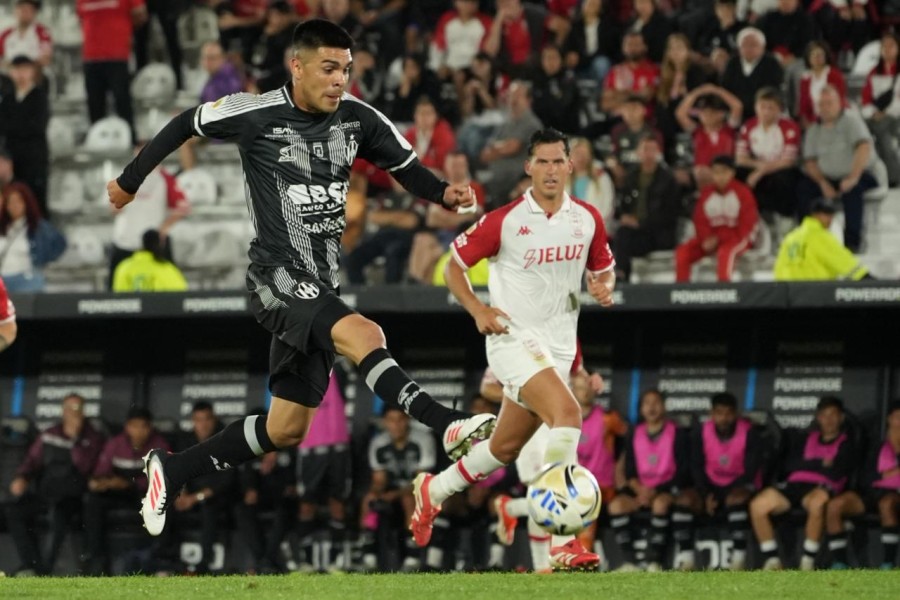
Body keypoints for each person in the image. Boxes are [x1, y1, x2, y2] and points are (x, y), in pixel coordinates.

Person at [106, 19, 494, 536]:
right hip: (276, 276)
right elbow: (185, 123)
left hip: (320, 285)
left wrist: (444, 193)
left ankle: (172, 469)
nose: (340, 80)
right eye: (329, 68)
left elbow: (404, 166)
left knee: (286, 428)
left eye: (347, 70)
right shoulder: (256, 112)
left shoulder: (358, 119)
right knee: (366, 334)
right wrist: (130, 182)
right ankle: (447, 425)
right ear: (298, 66)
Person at [407, 130, 616, 568]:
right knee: (569, 414)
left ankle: (433, 490)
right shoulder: (505, 220)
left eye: (558, 161)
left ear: (570, 165)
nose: (551, 170)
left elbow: (605, 270)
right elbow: (455, 268)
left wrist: (603, 286)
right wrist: (478, 309)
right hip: (511, 341)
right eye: (542, 162)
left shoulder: (588, 219)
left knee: (503, 450)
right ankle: (565, 541)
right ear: (528, 167)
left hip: (558, 348)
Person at [751, 397, 855, 571]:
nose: (828, 420)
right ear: (818, 418)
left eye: (833, 415)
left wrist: (810, 463)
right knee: (757, 505)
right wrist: (821, 462)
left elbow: (837, 470)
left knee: (818, 503)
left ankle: (807, 562)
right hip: (794, 484)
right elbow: (791, 465)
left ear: (841, 418)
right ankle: (773, 561)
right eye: (824, 415)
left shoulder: (847, 442)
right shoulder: (805, 439)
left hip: (822, 486)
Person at [4, 394, 104, 576]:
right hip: (46, 492)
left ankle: (45, 572)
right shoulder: (50, 434)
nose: (72, 413)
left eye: (77, 409)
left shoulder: (92, 437)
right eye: (69, 408)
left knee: (58, 514)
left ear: (83, 412)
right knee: (14, 510)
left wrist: (75, 439)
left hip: (74, 496)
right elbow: (32, 459)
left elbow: (86, 466)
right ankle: (31, 566)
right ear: (62, 411)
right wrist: (22, 477)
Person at [608, 390, 695, 572]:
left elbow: (683, 471)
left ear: (664, 406)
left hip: (667, 490)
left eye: (656, 402)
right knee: (615, 506)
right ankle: (631, 562)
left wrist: (657, 491)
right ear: (641, 409)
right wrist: (640, 490)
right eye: (647, 403)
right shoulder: (634, 434)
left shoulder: (677, 433)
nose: (652, 407)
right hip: (641, 491)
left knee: (660, 505)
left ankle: (653, 561)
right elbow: (629, 471)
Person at [83, 406, 169, 575]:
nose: (139, 431)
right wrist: (99, 482)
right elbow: (101, 472)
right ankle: (95, 560)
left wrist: (130, 483)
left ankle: (161, 561)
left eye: (143, 426)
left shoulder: (159, 445)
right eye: (134, 426)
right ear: (127, 427)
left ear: (150, 427)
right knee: (93, 500)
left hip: (144, 492)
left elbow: (161, 480)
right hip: (118, 492)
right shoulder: (115, 444)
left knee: (164, 502)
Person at [797, 85, 877, 253]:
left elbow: (863, 147)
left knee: (853, 191)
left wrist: (853, 177)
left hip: (857, 174)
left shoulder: (851, 121)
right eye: (821, 104)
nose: (825, 108)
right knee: (802, 187)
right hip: (827, 177)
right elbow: (810, 161)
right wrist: (822, 183)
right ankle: (807, 237)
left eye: (829, 103)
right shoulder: (813, 130)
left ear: (839, 103)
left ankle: (852, 243)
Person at [690, 392, 762, 571]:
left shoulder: (749, 432)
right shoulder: (701, 431)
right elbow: (696, 466)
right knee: (685, 500)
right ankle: (685, 559)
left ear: (736, 414)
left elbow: (752, 469)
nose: (724, 418)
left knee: (735, 499)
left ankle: (739, 558)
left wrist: (738, 489)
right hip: (710, 485)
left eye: (729, 413)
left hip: (738, 484)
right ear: (711, 413)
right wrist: (706, 494)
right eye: (719, 413)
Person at [825, 400, 900, 570]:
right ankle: (840, 563)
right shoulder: (876, 446)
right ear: (889, 419)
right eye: (897, 418)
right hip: (871, 493)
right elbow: (866, 476)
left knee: (886, 504)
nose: (899, 423)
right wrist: (884, 475)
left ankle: (888, 563)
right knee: (835, 506)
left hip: (894, 495)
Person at [360, 405, 436, 572]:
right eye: (391, 420)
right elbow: (379, 480)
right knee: (369, 499)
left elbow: (421, 480)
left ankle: (412, 558)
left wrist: (395, 494)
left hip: (421, 491)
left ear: (407, 420)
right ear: (385, 422)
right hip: (392, 490)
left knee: (408, 499)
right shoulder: (379, 442)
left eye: (400, 419)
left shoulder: (422, 440)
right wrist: (377, 493)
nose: (396, 425)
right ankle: (368, 558)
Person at [164, 402, 236, 574]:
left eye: (207, 419)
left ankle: (205, 562)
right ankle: (167, 560)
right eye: (198, 420)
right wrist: (182, 493)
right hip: (189, 495)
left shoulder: (225, 440)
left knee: (208, 507)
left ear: (214, 419)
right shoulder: (185, 441)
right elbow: (177, 469)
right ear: (193, 421)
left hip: (214, 496)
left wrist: (196, 497)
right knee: (166, 505)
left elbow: (227, 480)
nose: (203, 425)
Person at [294, 371, 352, 571]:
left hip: (338, 445)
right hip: (310, 446)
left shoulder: (340, 366)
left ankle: (336, 560)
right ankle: (307, 561)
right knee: (307, 504)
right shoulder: (296, 364)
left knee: (337, 502)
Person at [675, 155, 758, 282]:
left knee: (726, 253)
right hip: (711, 238)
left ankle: (724, 291)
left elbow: (747, 224)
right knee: (683, 252)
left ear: (732, 173)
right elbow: (700, 220)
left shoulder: (743, 193)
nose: (720, 176)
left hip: (737, 238)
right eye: (716, 172)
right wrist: (706, 238)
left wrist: (721, 238)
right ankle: (681, 292)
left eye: (724, 172)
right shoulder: (706, 194)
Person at [234, 409, 297, 574]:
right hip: (258, 499)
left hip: (281, 497)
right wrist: (250, 488)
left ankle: (265, 561)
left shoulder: (285, 445)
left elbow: (292, 483)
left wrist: (275, 466)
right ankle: (264, 560)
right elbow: (245, 480)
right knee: (241, 510)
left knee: (285, 509)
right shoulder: (247, 449)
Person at [407, 151, 484, 284]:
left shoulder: (475, 188)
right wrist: (457, 215)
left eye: (459, 165)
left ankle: (418, 289)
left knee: (432, 254)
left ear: (466, 166)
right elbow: (431, 219)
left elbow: (470, 220)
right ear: (446, 167)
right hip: (441, 234)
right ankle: (414, 281)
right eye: (453, 165)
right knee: (421, 239)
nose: (456, 169)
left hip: (462, 235)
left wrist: (444, 217)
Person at [76, 0, 147, 140]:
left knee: (122, 101)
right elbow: (81, 19)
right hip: (91, 57)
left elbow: (141, 15)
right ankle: (97, 142)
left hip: (117, 56)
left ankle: (129, 141)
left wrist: (121, 30)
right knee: (94, 105)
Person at [614, 135, 680, 282]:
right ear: (638, 153)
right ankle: (621, 275)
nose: (648, 154)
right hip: (635, 232)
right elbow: (621, 206)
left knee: (624, 239)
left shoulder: (668, 179)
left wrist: (641, 223)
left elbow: (670, 214)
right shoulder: (631, 176)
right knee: (621, 234)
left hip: (658, 233)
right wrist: (623, 216)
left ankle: (622, 276)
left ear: (658, 153)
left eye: (652, 150)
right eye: (645, 149)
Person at [735, 87, 801, 218]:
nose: (765, 112)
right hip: (757, 163)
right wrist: (759, 166)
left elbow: (788, 161)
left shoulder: (789, 127)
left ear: (779, 109)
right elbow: (741, 158)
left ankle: (783, 216)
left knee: (783, 179)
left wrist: (761, 172)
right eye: (762, 107)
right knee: (737, 173)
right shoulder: (748, 126)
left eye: (770, 108)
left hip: (780, 167)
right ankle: (747, 215)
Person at [479, 80, 543, 208]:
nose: (513, 100)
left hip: (515, 179)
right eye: (511, 95)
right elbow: (485, 154)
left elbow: (512, 147)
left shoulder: (531, 123)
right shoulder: (506, 122)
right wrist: (499, 148)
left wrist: (496, 149)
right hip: (495, 177)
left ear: (528, 100)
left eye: (518, 96)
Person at [774, 199, 871, 281]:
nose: (830, 219)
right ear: (815, 215)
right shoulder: (818, 236)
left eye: (831, 215)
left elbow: (779, 266)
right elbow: (841, 259)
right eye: (826, 215)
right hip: (815, 293)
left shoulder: (791, 236)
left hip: (789, 295)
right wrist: (865, 276)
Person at [0, 54, 49, 214]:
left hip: (34, 160)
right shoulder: (7, 99)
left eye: (25, 69)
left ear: (32, 71)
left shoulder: (40, 97)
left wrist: (12, 127)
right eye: (17, 69)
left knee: (35, 203)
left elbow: (35, 127)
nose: (21, 74)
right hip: (12, 159)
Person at [0, 182, 66, 292]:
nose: (14, 205)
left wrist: (44, 261)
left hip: (26, 281)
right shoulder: (4, 227)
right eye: (10, 202)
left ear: (27, 202)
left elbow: (60, 243)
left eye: (18, 201)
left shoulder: (38, 226)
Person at [674, 84, 742, 189]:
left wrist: (717, 91)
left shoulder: (728, 130)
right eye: (703, 112)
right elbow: (680, 113)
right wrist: (697, 92)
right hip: (700, 174)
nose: (707, 115)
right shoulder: (697, 131)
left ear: (721, 114)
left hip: (724, 173)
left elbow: (737, 106)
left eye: (711, 112)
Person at [655, 33, 713, 151]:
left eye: (680, 47)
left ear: (687, 51)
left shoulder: (696, 72)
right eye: (672, 48)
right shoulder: (665, 76)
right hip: (670, 123)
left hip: (692, 119)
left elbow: (700, 98)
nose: (676, 52)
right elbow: (662, 102)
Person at [859, 32, 900, 188]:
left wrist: (885, 114)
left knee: (881, 130)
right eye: (884, 46)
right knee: (875, 131)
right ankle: (889, 174)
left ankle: (891, 174)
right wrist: (874, 113)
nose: (887, 49)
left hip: (895, 115)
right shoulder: (873, 72)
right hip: (876, 116)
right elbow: (866, 98)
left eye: (891, 46)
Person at [720, 27, 783, 122]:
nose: (748, 48)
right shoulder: (732, 63)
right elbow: (725, 86)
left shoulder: (772, 63)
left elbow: (773, 90)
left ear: (762, 47)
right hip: (735, 111)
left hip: (762, 112)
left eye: (753, 45)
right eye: (744, 45)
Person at [608, 94, 665, 187]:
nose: (630, 112)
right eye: (627, 109)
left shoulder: (654, 133)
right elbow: (611, 155)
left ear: (643, 110)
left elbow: (658, 159)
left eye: (634, 108)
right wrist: (614, 166)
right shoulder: (617, 131)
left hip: (644, 176)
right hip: (622, 176)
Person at [428, 0, 492, 78]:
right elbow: (438, 47)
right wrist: (437, 67)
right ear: (456, 2)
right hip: (450, 67)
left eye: (473, 2)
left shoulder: (486, 22)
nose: (469, 5)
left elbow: (486, 51)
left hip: (473, 68)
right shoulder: (447, 19)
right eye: (465, 2)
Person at [601, 31, 660, 115]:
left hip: (645, 120)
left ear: (645, 47)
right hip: (618, 119)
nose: (632, 48)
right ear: (623, 48)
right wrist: (635, 94)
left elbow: (647, 97)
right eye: (629, 44)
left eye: (636, 44)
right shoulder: (615, 71)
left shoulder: (654, 70)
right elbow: (605, 104)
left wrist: (618, 94)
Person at [112, 229, 188, 292]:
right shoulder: (167, 268)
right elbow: (180, 294)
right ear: (161, 244)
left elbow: (119, 296)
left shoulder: (124, 266)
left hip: (132, 309)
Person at [562, 0, 620, 82]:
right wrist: (570, 55)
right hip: (580, 63)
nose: (591, 7)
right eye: (589, 4)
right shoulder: (575, 27)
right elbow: (568, 46)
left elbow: (610, 48)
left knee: (601, 63)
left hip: (599, 61)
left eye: (595, 4)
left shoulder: (608, 26)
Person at [530, 44, 581, 135]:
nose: (551, 62)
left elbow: (562, 107)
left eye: (554, 58)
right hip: (542, 130)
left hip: (566, 131)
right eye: (547, 58)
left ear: (561, 61)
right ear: (542, 61)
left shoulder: (568, 79)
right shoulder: (537, 79)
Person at [797, 40, 847, 130]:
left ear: (825, 56)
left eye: (820, 55)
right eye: (814, 55)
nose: (817, 58)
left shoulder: (835, 75)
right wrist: (807, 124)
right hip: (813, 120)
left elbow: (840, 99)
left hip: (835, 118)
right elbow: (803, 106)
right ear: (808, 58)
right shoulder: (805, 78)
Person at [568, 137, 615, 227]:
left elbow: (608, 206)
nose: (580, 158)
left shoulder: (601, 177)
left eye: (584, 154)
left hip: (596, 227)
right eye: (577, 154)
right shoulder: (563, 178)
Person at [0, 0, 52, 69]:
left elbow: (45, 59)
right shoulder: (5, 34)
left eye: (29, 10)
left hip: (35, 75)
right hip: (9, 75)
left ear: (35, 13)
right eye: (22, 9)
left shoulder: (43, 33)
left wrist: (26, 69)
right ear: (15, 10)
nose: (25, 13)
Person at [627, 0, 674, 64]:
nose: (641, 6)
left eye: (644, 2)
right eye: (638, 3)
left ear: (653, 4)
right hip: (632, 62)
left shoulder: (662, 22)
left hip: (654, 62)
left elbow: (661, 48)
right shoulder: (632, 22)